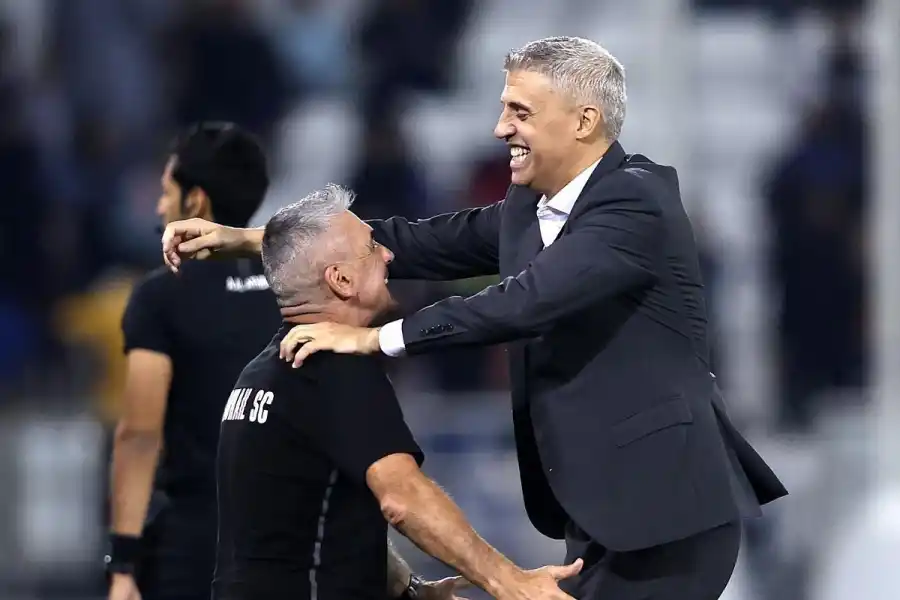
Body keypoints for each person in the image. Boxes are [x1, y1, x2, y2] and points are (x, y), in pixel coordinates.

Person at [161, 37, 788, 600]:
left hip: (668, 515)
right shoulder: (526, 208)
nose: (498, 128)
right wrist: (246, 239)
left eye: (519, 112)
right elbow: (398, 240)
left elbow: (526, 301)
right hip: (605, 519)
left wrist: (376, 339)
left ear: (584, 121)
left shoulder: (636, 202)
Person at [214, 184, 581, 600]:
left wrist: (408, 589)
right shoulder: (334, 368)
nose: (389, 255)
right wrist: (510, 582)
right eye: (372, 247)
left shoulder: (263, 372)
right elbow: (403, 498)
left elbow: (318, 514)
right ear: (341, 279)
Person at [107, 123, 283, 600]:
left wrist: (122, 564)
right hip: (296, 535)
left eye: (167, 193)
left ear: (196, 201)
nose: (161, 207)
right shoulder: (296, 289)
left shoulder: (160, 297)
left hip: (197, 540)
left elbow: (140, 433)